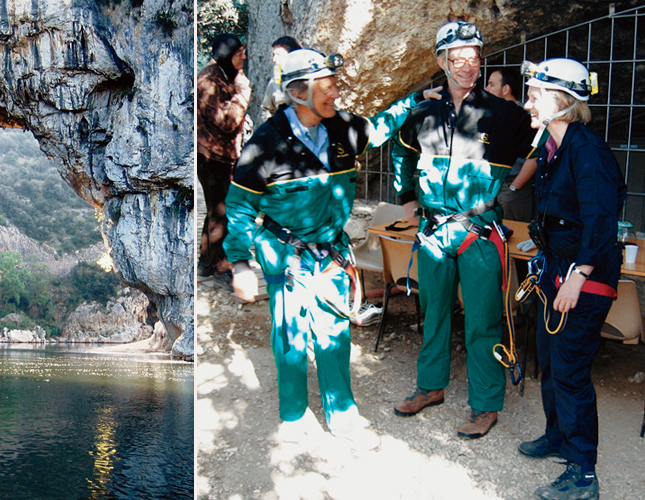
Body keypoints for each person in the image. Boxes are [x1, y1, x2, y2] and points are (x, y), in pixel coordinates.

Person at [224, 48, 441, 447]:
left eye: (334, 85)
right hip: (286, 254)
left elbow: (377, 129)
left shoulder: (341, 128)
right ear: (298, 91)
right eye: (327, 87)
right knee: (290, 337)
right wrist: (239, 262)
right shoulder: (266, 143)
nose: (335, 94)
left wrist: (413, 102)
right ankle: (292, 414)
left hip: (331, 251)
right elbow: (238, 205)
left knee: (334, 333)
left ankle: (341, 413)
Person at [390, 21, 540, 439]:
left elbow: (543, 146)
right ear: (441, 61)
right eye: (457, 60)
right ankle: (431, 386)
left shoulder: (505, 114)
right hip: (435, 231)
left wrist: (518, 188)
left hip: (479, 232)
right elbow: (402, 155)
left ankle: (486, 405)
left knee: (483, 321)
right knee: (432, 313)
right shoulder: (423, 112)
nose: (467, 67)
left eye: (474, 60)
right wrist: (406, 199)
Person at [517, 58, 625, 500]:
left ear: (560, 101)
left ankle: (583, 474)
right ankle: (558, 436)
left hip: (582, 276)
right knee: (549, 360)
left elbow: (601, 221)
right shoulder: (550, 147)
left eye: (535, 96)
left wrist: (578, 277)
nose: (527, 104)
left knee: (571, 372)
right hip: (555, 270)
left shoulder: (587, 151)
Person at [196, 34, 251, 283]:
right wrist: (242, 92)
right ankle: (220, 266)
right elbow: (227, 122)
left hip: (218, 155)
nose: (244, 57)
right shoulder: (209, 81)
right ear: (229, 54)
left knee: (215, 209)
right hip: (212, 157)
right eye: (240, 52)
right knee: (221, 210)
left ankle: (206, 262)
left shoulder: (219, 75)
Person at [486, 67, 538, 222]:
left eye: (491, 84)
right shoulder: (491, 115)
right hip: (490, 187)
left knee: (515, 235)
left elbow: (535, 155)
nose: (486, 89)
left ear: (506, 89)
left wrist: (515, 187)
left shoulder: (527, 117)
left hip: (512, 187)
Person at [261, 36, 302, 120]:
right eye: (273, 55)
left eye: (278, 55)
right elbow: (267, 109)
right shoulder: (274, 83)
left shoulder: (309, 79)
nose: (274, 59)